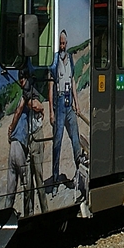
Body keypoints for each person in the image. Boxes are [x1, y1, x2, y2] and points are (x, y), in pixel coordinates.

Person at [6, 66, 45, 216]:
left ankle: (34, 211)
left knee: (32, 181)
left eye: (21, 79)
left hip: (32, 138)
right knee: (28, 182)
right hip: (26, 142)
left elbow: (25, 107)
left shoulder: (28, 89)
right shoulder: (28, 89)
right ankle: (30, 212)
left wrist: (11, 127)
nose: (21, 83)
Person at [47, 30, 82, 190]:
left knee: (75, 138)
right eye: (60, 43)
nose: (62, 46)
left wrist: (77, 102)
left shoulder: (70, 59)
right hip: (59, 102)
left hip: (69, 102)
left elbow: (73, 80)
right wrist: (51, 111)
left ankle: (80, 172)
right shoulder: (54, 60)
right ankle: (55, 179)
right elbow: (51, 84)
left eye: (64, 43)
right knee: (57, 142)